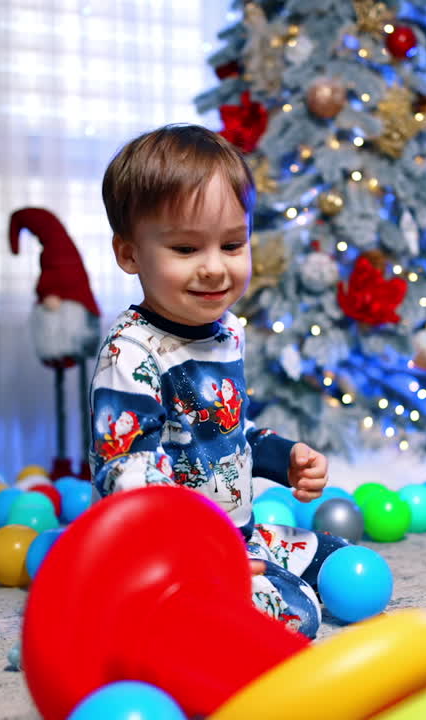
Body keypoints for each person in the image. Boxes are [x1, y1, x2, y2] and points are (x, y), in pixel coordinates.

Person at [89, 124, 349, 637]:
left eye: (232, 244)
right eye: (186, 250)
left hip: (238, 534)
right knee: (295, 615)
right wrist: (201, 553)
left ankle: (247, 574)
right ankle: (182, 611)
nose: (215, 269)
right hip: (170, 557)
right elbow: (124, 474)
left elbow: (228, 433)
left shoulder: (226, 332)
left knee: (337, 560)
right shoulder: (131, 351)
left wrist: (285, 455)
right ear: (130, 254)